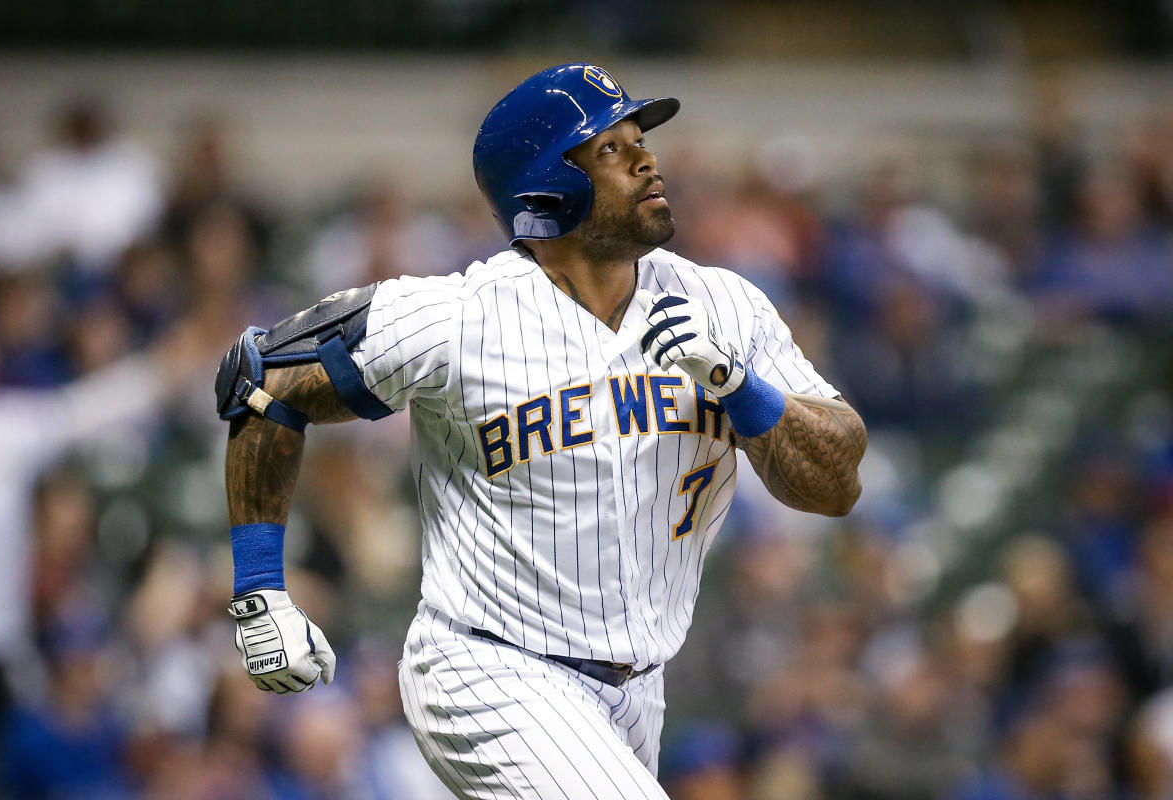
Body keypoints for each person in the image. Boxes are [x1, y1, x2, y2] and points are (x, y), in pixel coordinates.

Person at [217, 62, 867, 799]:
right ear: (545, 189)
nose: (649, 158)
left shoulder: (727, 307)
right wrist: (261, 589)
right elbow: (264, 379)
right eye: (611, 149)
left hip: (637, 689)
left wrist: (737, 387)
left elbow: (836, 482)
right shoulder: (460, 318)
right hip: (487, 667)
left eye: (638, 139)